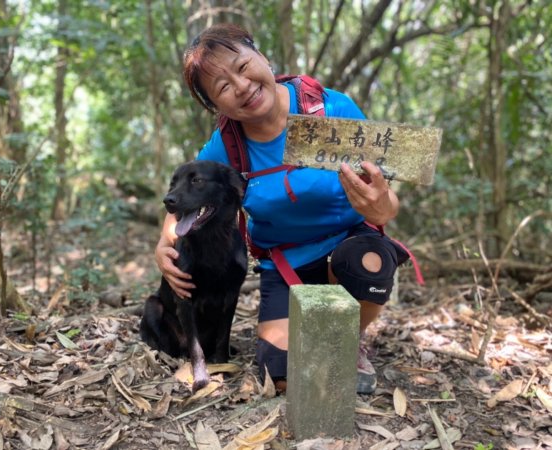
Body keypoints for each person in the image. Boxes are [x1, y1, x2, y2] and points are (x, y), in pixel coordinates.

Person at [155, 23, 409, 394]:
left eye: (243, 67)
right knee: (280, 376)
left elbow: (385, 201)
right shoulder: (227, 145)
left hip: (349, 244)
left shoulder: (331, 109)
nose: (241, 86)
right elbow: (185, 192)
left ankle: (348, 337)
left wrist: (382, 208)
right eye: (223, 87)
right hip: (287, 262)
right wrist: (164, 243)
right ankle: (316, 334)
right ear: (216, 106)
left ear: (262, 56)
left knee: (367, 262)